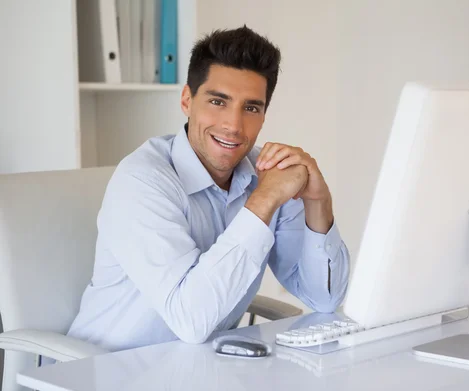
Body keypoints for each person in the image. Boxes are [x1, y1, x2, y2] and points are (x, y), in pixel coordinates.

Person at [66, 26, 350, 351]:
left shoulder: (267, 174)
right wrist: (263, 201)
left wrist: (318, 199)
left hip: (194, 375)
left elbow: (325, 299)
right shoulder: (142, 180)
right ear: (187, 100)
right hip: (98, 378)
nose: (233, 124)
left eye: (251, 108)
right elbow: (191, 319)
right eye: (218, 101)